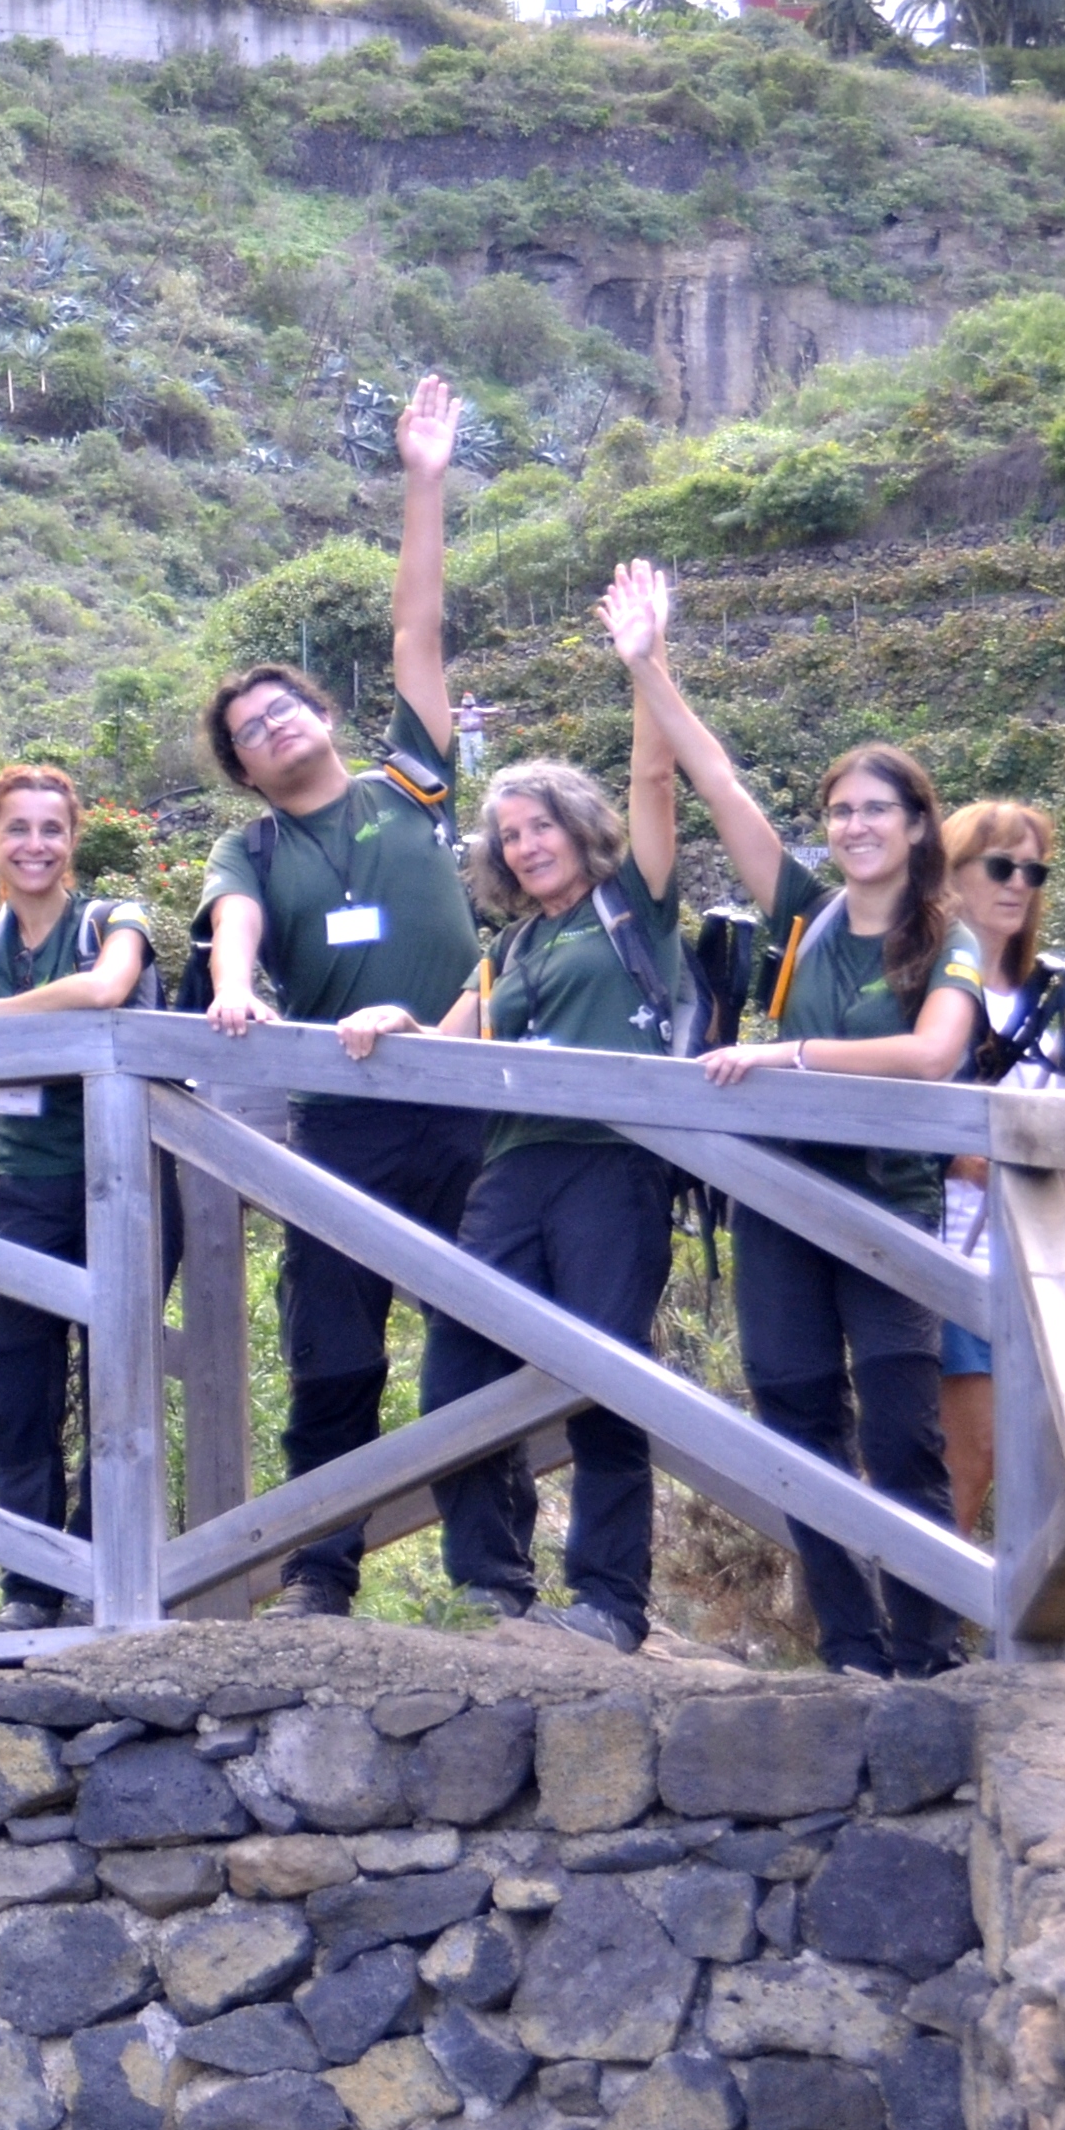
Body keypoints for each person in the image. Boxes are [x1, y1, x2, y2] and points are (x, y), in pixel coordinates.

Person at [334, 560, 717, 1655]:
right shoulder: (513, 942)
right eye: (506, 836)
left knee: (604, 1376)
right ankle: (490, 1581)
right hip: (511, 1169)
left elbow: (656, 784)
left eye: (538, 826)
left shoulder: (626, 908)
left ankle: (607, 1599)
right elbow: (456, 1028)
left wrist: (644, 662)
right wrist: (400, 1029)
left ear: (575, 827)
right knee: (456, 1367)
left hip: (610, 1165)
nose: (522, 845)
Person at [200, 373, 492, 1618]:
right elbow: (233, 932)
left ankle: (493, 1573)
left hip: (469, 1106)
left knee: (481, 1343)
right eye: (248, 731)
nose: (272, 726)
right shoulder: (252, 851)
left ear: (321, 717)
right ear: (242, 770)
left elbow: (414, 640)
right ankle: (318, 1575)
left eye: (282, 708)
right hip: (338, 1120)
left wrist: (422, 480)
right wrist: (230, 994)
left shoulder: (406, 789)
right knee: (332, 1350)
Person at [670, 698, 984, 1676]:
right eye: (839, 810)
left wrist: (790, 1054)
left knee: (902, 1438)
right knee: (796, 1425)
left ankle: (926, 1652)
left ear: (916, 826)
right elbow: (717, 786)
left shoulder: (946, 937)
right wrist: (647, 664)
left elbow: (934, 1054)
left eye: (874, 809)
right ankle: (850, 1648)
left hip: (887, 1213)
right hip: (777, 1207)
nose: (853, 825)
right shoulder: (803, 915)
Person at [0, 707, 153, 1632]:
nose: (36, 845)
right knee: (19, 1389)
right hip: (25, 1188)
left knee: (116, 1386)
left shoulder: (108, 918)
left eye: (52, 829)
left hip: (124, 1185)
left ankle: (102, 1578)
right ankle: (29, 1585)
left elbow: (106, 988)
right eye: (18, 830)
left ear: (74, 839)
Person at [933, 798, 1065, 1534]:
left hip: (1031, 1262)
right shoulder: (927, 991)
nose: (1019, 882)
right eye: (1000, 865)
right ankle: (920, 1630)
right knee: (969, 1453)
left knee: (1025, 1458)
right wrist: (957, 1155)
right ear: (951, 877)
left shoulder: (1044, 1004)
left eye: (1032, 868)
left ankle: (991, 1637)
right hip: (944, 1250)